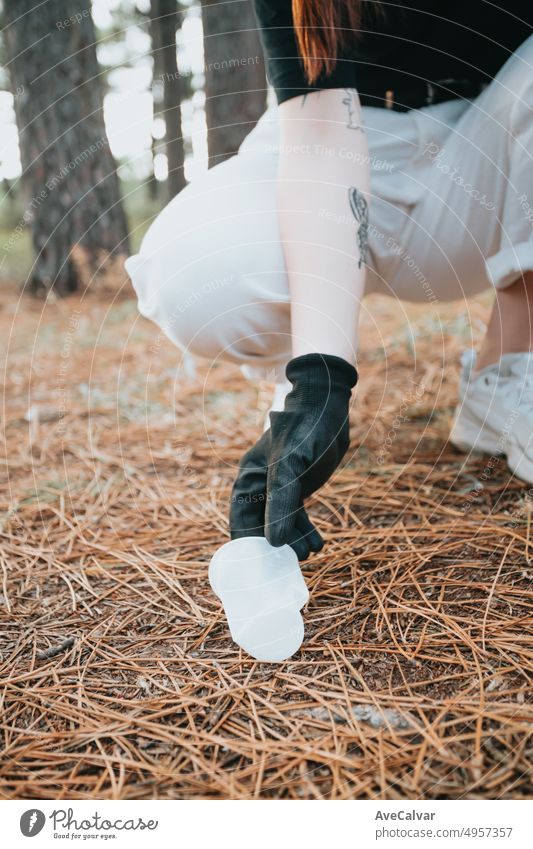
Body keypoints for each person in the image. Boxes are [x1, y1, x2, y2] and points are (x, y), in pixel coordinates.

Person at [126, 1, 533, 560]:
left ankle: (505, 371)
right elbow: (321, 134)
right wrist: (320, 381)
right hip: (332, 135)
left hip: (491, 154)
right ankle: (292, 381)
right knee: (195, 270)